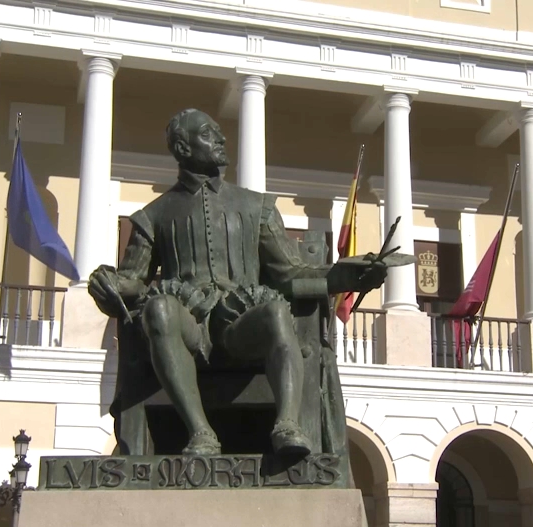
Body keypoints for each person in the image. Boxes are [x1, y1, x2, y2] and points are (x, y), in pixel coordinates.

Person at [89, 108, 389, 458]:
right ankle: (200, 432)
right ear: (183, 149)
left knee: (277, 312)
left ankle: (287, 425)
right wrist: (107, 284)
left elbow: (290, 272)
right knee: (159, 309)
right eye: (207, 133)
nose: (221, 138)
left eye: (219, 132)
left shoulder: (257, 206)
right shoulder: (153, 215)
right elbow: (132, 280)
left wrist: (344, 276)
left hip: (240, 323)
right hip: (188, 327)